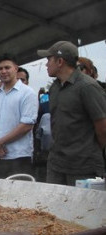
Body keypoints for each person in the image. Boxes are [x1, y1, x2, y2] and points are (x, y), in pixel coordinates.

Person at [37, 41, 106, 185]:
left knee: (82, 207)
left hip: (83, 166)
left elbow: (102, 127)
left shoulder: (87, 87)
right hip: (56, 164)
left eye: (49, 60)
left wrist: (89, 151)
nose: (46, 64)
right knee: (52, 206)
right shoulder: (55, 88)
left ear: (60, 61)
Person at [0, 53, 38, 179]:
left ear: (16, 68)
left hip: (18, 157)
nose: (3, 71)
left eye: (7, 67)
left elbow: (26, 126)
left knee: (18, 196)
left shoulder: (27, 93)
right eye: (0, 68)